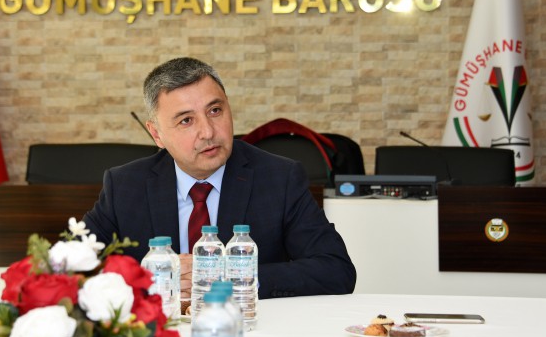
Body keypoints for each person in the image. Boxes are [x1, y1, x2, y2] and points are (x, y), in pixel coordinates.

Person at [83, 57, 356, 299]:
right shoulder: (125, 186)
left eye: (215, 111)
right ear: (157, 134)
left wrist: (229, 278)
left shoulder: (279, 178)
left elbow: (335, 270)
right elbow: (71, 267)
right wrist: (149, 280)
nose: (208, 132)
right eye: (186, 120)